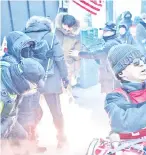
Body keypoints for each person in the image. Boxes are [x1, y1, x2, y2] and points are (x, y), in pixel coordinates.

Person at [23, 16, 69, 147]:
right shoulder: (51, 36)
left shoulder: (23, 35)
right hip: (50, 78)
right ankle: (61, 139)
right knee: (56, 112)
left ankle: (32, 141)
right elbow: (59, 58)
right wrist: (65, 77)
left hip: (30, 80)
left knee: (31, 111)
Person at [79, 22, 121, 93]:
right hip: (110, 74)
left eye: (106, 31)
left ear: (113, 32)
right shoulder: (112, 41)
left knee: (111, 95)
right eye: (103, 31)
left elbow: (96, 54)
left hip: (110, 76)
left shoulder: (111, 43)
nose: (103, 33)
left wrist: (79, 54)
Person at [55, 13, 81, 87]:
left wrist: (78, 54)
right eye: (64, 27)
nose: (66, 30)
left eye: (68, 28)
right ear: (61, 23)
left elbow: (78, 54)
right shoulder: (54, 31)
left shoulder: (76, 35)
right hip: (56, 65)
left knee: (68, 87)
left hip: (69, 66)